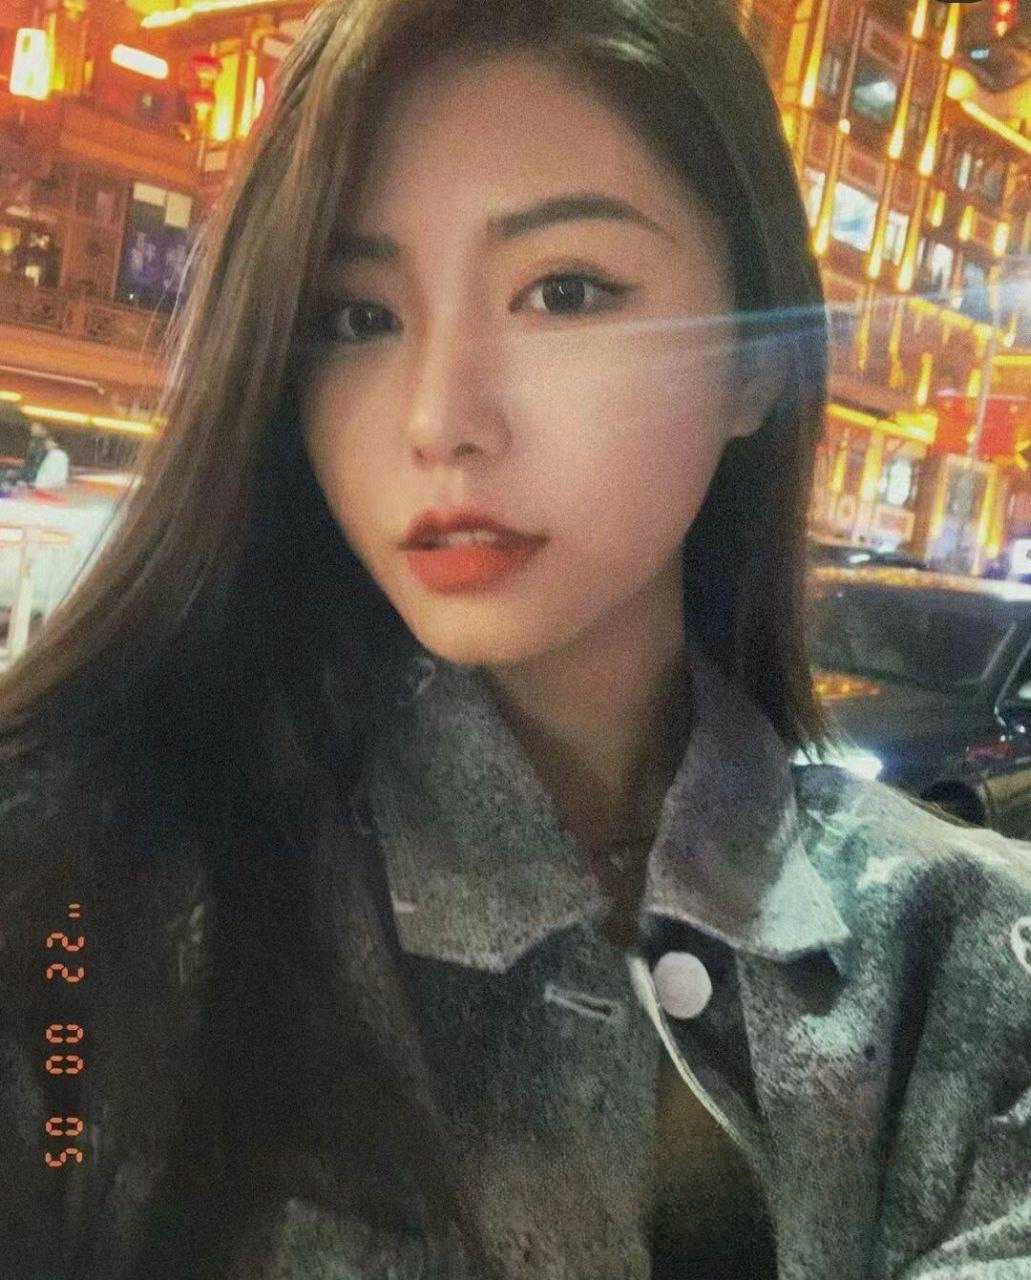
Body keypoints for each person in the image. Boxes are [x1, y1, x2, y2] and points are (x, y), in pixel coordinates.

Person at [0, 2, 1027, 1277]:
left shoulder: (964, 963)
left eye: (564, 291)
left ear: (756, 359)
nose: (439, 418)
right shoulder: (86, 888)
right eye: (356, 315)